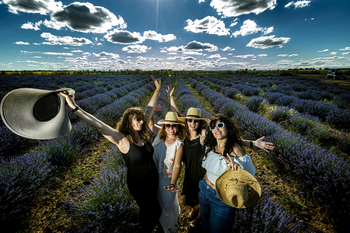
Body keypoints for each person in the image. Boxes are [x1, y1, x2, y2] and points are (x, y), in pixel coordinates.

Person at [60, 76, 162, 233]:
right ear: (129, 122)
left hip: (152, 178)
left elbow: (149, 108)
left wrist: (157, 90)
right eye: (137, 119)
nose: (141, 121)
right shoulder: (122, 140)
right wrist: (74, 106)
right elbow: (99, 125)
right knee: (153, 212)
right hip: (139, 182)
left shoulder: (142, 134)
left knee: (152, 210)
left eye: (141, 119)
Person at [166, 85, 274, 229]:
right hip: (197, 178)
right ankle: (197, 213)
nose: (192, 123)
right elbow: (176, 112)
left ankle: (198, 219)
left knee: (210, 217)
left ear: (200, 123)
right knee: (196, 206)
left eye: (195, 121)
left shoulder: (207, 135)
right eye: (189, 120)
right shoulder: (189, 134)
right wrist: (170, 97)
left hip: (211, 181)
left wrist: (252, 145)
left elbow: (228, 141)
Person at [199, 114, 264, 233]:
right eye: (213, 127)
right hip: (204, 189)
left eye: (220, 125)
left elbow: (249, 178)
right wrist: (252, 143)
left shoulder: (235, 150)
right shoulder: (211, 144)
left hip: (222, 198)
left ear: (227, 127)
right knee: (204, 223)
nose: (216, 129)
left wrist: (238, 169)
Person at [149, 111, 185, 233]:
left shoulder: (178, 144)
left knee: (168, 206)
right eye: (168, 125)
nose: (170, 128)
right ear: (164, 126)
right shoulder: (159, 135)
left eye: (174, 125)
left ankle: (169, 228)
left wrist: (172, 184)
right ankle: (159, 224)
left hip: (167, 180)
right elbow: (150, 125)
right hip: (154, 177)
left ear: (178, 127)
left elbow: (176, 166)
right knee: (156, 203)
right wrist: (152, 113)